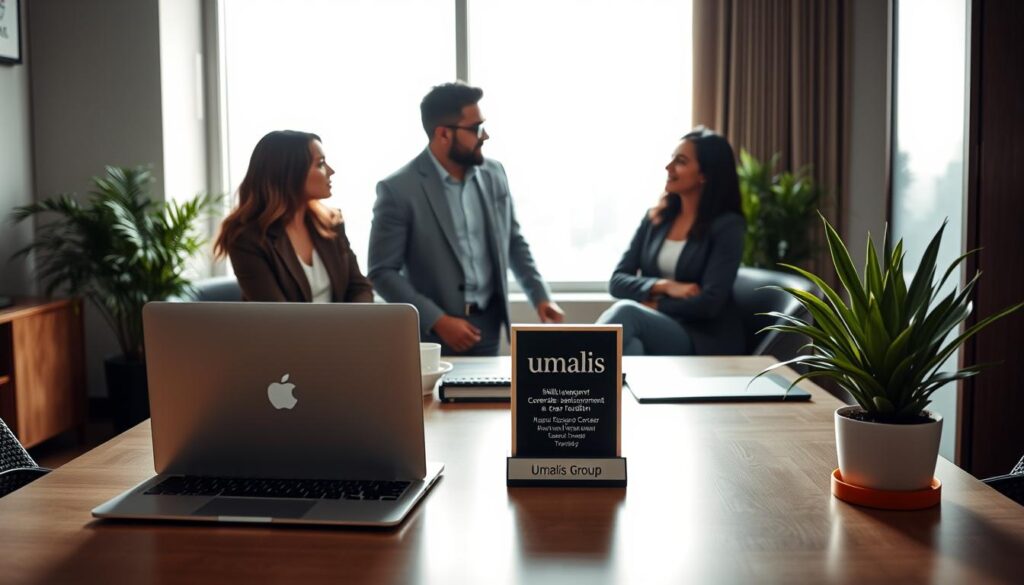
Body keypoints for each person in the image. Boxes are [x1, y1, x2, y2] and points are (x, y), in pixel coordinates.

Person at [368, 81, 563, 356]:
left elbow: (512, 241)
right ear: (443, 134)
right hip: (433, 337)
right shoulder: (398, 189)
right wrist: (438, 320)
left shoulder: (495, 173)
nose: (485, 136)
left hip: (489, 327)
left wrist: (541, 297)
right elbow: (382, 272)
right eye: (476, 128)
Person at [598, 128, 746, 355]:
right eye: (671, 159)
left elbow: (710, 303)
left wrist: (656, 304)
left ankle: (569, 369)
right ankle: (579, 373)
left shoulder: (727, 226)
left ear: (704, 174)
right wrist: (664, 286)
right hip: (657, 326)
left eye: (681, 161)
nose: (669, 167)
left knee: (626, 312)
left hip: (700, 336)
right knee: (632, 348)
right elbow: (617, 282)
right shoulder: (655, 219)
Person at [214, 130, 374, 303]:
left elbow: (360, 287)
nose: (331, 171)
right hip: (285, 323)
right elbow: (276, 313)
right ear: (290, 173)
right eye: (320, 164)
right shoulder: (246, 239)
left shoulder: (331, 222)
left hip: (344, 322)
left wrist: (353, 319)